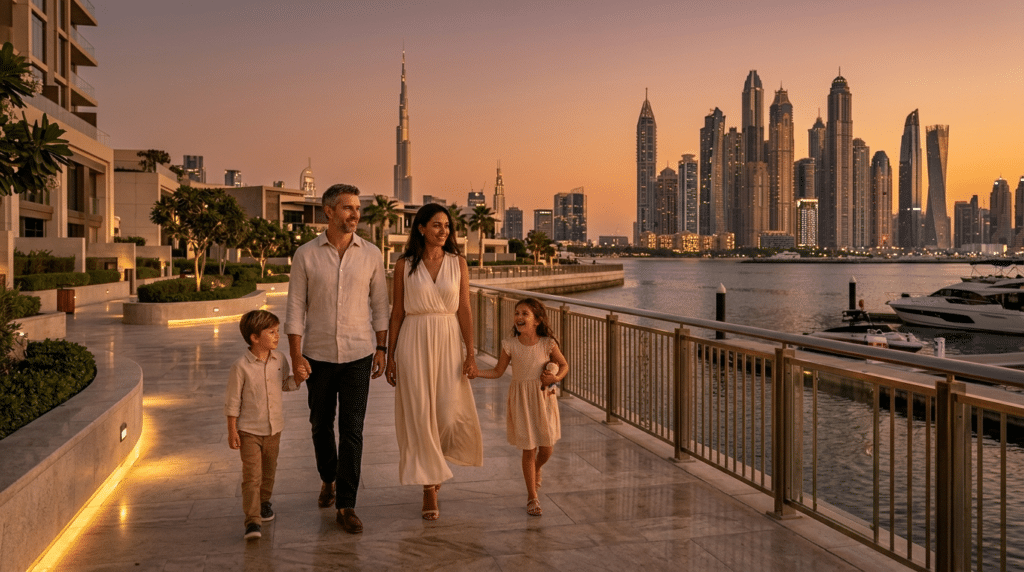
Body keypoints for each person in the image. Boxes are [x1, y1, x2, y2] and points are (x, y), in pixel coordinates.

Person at [285, 184, 389, 534]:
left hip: (359, 353)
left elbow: (379, 305)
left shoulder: (372, 254)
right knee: (319, 424)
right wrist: (296, 356)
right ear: (328, 211)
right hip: (318, 356)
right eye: (347, 208)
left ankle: (346, 504)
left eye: (357, 208)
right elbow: (295, 307)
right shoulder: (306, 255)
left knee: (353, 430)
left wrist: (382, 348)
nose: (354, 214)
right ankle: (328, 477)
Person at [385, 203, 483, 521]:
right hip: (413, 340)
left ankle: (436, 463)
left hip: (448, 339)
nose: (443, 231)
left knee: (445, 411)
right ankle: (429, 486)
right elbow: (396, 311)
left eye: (447, 226)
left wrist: (471, 353)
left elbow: (465, 309)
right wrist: (389, 355)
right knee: (419, 413)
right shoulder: (404, 265)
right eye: (437, 225)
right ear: (422, 228)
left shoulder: (458, 263)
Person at [475, 297, 567, 516]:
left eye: (525, 313)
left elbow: (564, 365)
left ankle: (536, 468)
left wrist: (554, 378)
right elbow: (498, 371)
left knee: (546, 448)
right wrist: (476, 373)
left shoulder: (548, 343)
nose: (519, 317)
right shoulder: (510, 345)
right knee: (529, 448)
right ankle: (532, 496)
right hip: (522, 401)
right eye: (517, 313)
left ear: (537, 320)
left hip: (544, 399)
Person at [224, 310, 298, 540]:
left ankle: (265, 502)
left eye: (277, 332)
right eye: (272, 332)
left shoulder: (280, 360)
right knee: (251, 476)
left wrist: (301, 378)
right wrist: (232, 430)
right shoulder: (241, 367)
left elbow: (286, 385)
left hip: (274, 429)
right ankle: (252, 521)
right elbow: (233, 401)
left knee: (269, 472)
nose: (278, 336)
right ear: (255, 337)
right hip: (249, 431)